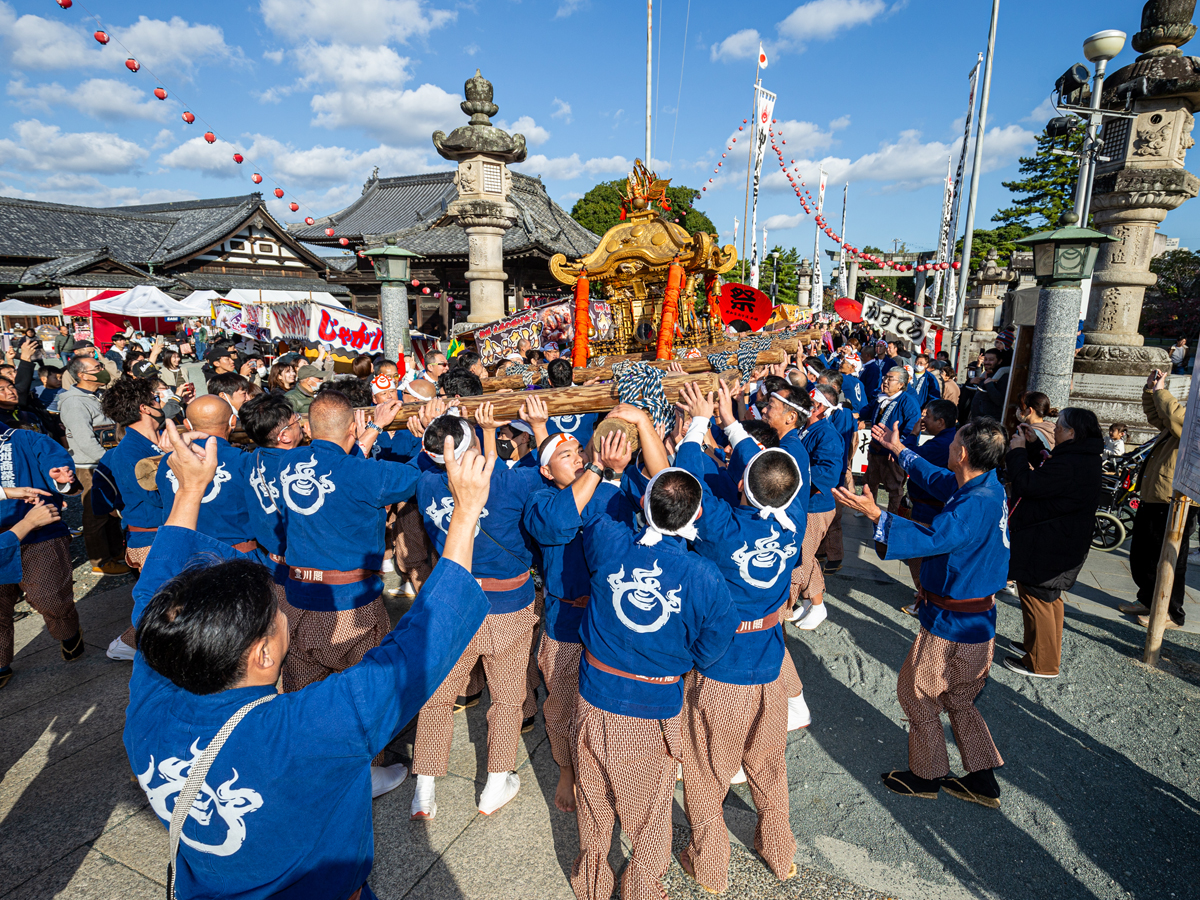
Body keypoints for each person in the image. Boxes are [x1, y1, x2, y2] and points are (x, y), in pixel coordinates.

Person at [123, 419, 494, 900]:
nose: (281, 612)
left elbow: (153, 596)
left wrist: (189, 490)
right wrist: (465, 515)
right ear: (262, 653)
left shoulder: (152, 698)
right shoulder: (307, 729)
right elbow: (421, 644)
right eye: (273, 613)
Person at [571, 458, 738, 900]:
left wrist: (610, 471)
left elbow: (599, 508)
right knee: (648, 815)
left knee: (593, 802)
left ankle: (592, 883)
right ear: (697, 514)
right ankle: (642, 888)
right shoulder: (703, 575)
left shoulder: (609, 539)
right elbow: (715, 640)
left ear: (643, 504)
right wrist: (682, 662)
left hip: (593, 693)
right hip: (653, 706)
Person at [836, 417, 1009, 809]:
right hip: (979, 620)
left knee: (917, 694)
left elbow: (934, 537)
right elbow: (937, 478)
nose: (948, 445)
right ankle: (982, 779)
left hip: (951, 623)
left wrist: (877, 516)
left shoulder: (971, 503)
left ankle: (927, 775)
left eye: (954, 441)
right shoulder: (987, 486)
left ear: (961, 453)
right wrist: (899, 450)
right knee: (960, 698)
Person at [671, 387, 801, 892]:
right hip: (769, 664)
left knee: (706, 774)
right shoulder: (791, 521)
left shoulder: (723, 528)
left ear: (742, 485)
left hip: (722, 668)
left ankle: (710, 868)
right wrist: (731, 424)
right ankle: (780, 853)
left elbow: (686, 483)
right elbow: (768, 471)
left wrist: (698, 423)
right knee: (769, 766)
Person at [410, 402, 548, 819]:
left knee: (437, 697)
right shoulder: (508, 482)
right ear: (473, 443)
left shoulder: (425, 484)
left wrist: (435, 432)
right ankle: (494, 783)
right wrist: (536, 425)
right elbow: (550, 466)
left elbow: (431, 458)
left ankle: (424, 789)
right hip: (508, 603)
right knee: (507, 699)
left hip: (454, 603)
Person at [521, 416, 646, 814]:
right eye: (566, 456)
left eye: (579, 451)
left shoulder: (609, 489)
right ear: (546, 471)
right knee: (561, 706)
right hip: (566, 623)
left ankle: (611, 768)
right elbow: (557, 524)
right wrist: (595, 467)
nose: (577, 459)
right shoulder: (540, 502)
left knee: (610, 707)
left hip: (610, 620)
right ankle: (567, 768)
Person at [1004, 408, 1103, 678]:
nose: (1055, 429)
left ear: (1072, 432)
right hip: (1058, 538)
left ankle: (1042, 663)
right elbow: (1049, 477)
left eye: (1059, 426)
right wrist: (1033, 446)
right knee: (1046, 597)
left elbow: (1027, 484)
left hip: (1051, 542)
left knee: (1039, 598)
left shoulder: (1072, 463)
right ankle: (1035, 647)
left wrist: (1017, 452)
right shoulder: (1081, 456)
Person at [95, 376, 167, 660]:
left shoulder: (152, 442)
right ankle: (128, 643)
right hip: (151, 537)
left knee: (171, 598)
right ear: (145, 408)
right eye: (157, 398)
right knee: (164, 601)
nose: (161, 402)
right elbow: (157, 498)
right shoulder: (129, 451)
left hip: (162, 533)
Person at [0, 428, 80, 685]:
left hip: (40, 532)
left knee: (50, 596)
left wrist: (60, 479)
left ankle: (68, 633)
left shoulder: (24, 438)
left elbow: (57, 465)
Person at [1121, 369, 1198, 630]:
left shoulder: (1193, 423)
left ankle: (1172, 612)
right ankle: (1148, 600)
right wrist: (1150, 390)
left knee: (1170, 559)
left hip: (1177, 499)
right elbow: (1159, 416)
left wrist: (1161, 391)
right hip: (1157, 493)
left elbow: (1177, 418)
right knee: (1144, 554)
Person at [156, 395, 255, 552]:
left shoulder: (168, 461)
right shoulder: (244, 460)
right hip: (235, 553)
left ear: (187, 425)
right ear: (233, 422)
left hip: (185, 551)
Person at [59, 356, 129, 575]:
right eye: (97, 367)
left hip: (105, 461)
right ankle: (100, 561)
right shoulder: (74, 402)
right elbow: (85, 440)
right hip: (91, 465)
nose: (102, 370)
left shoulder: (97, 396)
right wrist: (110, 461)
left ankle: (115, 551)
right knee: (95, 514)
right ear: (82, 375)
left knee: (111, 510)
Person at [788, 383, 844, 631]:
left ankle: (815, 605)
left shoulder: (827, 434)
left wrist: (791, 476)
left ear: (819, 407)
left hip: (816, 506)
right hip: (804, 503)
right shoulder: (806, 428)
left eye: (807, 403)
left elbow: (828, 474)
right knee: (806, 556)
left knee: (802, 557)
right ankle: (812, 602)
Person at [897, 399, 959, 609]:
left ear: (940, 422)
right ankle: (926, 595)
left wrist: (913, 434)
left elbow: (907, 456)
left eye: (928, 417)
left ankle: (925, 600)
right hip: (935, 503)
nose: (924, 420)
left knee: (917, 553)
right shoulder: (950, 438)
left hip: (928, 506)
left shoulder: (940, 444)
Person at [863, 367, 920, 514]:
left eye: (890, 379)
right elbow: (865, 412)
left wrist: (899, 449)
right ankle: (869, 512)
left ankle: (892, 519)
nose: (885, 381)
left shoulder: (908, 402)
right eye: (885, 377)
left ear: (901, 384)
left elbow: (912, 429)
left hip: (892, 454)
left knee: (894, 489)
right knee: (869, 484)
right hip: (875, 450)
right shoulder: (880, 398)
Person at [544, 358, 596, 446]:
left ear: (549, 381)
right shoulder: (590, 397)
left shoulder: (541, 402)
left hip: (556, 452)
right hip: (585, 451)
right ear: (573, 376)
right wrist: (585, 390)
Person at [968, 348, 1010, 421]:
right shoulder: (986, 375)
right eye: (985, 359)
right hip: (977, 420)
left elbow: (999, 400)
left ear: (999, 361)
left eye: (991, 360)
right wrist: (971, 382)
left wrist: (989, 384)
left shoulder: (1003, 377)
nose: (987, 362)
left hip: (990, 421)